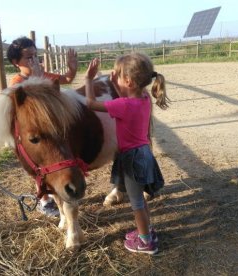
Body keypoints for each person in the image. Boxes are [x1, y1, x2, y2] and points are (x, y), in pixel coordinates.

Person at [84, 53, 169, 254]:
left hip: (131, 158)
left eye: (119, 78)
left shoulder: (121, 105)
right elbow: (127, 97)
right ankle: (146, 231)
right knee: (139, 198)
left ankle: (146, 242)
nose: (117, 81)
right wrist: (117, 82)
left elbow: (90, 103)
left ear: (129, 81)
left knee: (136, 203)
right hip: (144, 154)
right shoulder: (145, 98)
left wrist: (88, 79)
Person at [6, 36, 78, 217]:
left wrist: (72, 68)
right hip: (33, 133)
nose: (34, 61)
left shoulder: (43, 75)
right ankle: (44, 201)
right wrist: (37, 80)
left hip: (47, 129)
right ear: (16, 62)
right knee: (37, 167)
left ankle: (53, 193)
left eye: (36, 56)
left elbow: (67, 79)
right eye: (28, 57)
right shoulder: (17, 83)